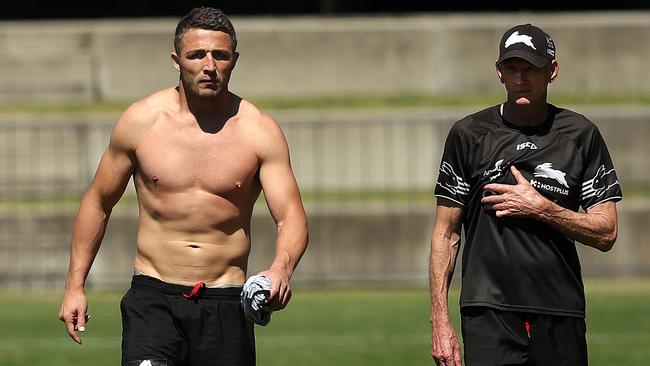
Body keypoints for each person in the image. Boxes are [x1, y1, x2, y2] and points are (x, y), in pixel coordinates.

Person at [58, 7, 308, 366]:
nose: (209, 65)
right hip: (153, 298)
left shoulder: (259, 131)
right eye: (196, 55)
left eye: (220, 55)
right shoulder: (141, 121)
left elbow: (291, 216)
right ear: (177, 61)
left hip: (224, 303)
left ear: (234, 60)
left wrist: (281, 269)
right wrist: (74, 285)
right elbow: (98, 202)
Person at [429, 23, 622, 366]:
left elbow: (606, 231)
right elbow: (446, 232)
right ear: (499, 72)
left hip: (560, 310)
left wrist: (542, 208)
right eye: (512, 68)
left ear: (552, 71)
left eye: (531, 68)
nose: (520, 78)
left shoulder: (581, 135)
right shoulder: (468, 134)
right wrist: (440, 320)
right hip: (488, 312)